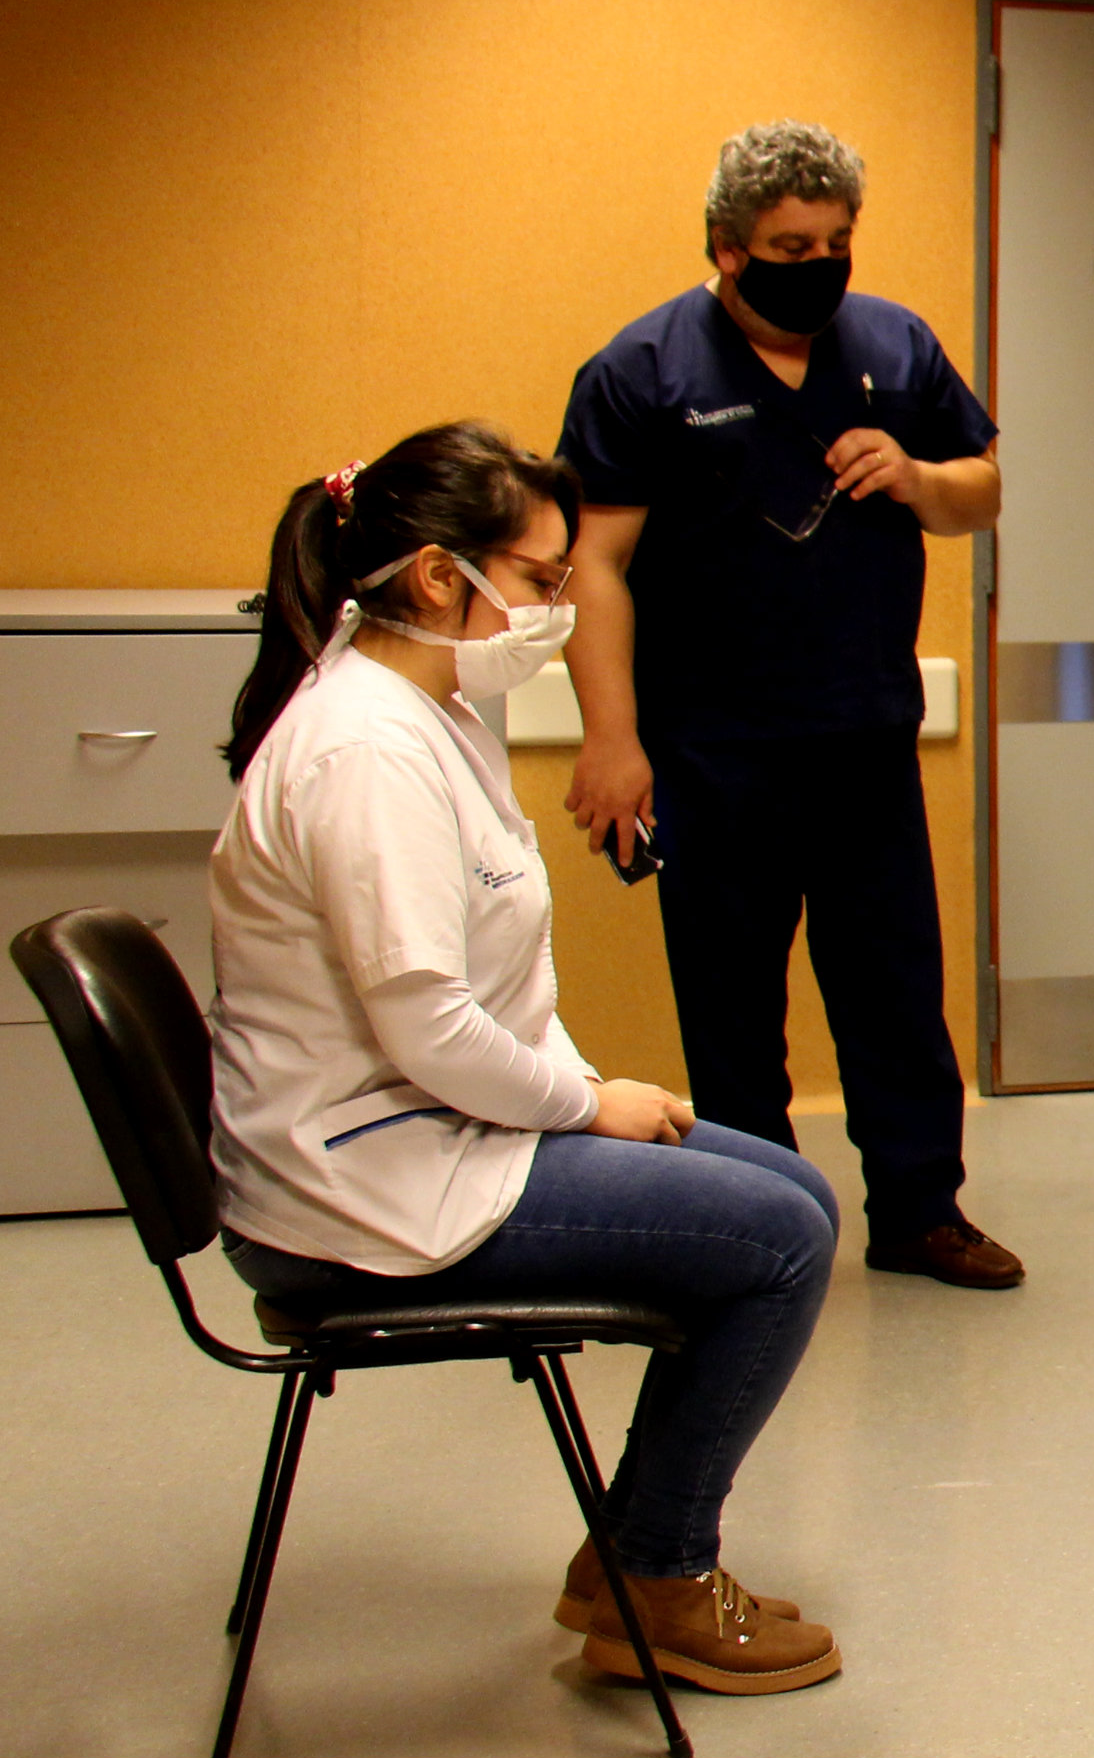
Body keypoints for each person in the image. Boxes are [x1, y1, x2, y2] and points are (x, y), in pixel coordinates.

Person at [209, 424, 842, 1693]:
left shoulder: (425, 708)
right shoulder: (367, 750)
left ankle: (630, 1552)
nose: (558, 606)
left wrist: (580, 1093)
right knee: (781, 1240)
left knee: (800, 1189)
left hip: (424, 1128)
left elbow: (487, 987)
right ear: (443, 576)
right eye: (544, 579)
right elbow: (429, 1024)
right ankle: (652, 1574)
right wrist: (582, 1106)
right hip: (365, 1184)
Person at [557, 121, 1020, 1289]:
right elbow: (593, 565)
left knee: (896, 994)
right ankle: (758, 1226)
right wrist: (611, 742)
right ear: (725, 248)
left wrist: (915, 476)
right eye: (786, 243)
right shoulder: (642, 371)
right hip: (710, 746)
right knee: (730, 1006)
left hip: (863, 735)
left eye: (834, 241)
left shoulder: (892, 347)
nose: (815, 262)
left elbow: (982, 489)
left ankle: (920, 1211)